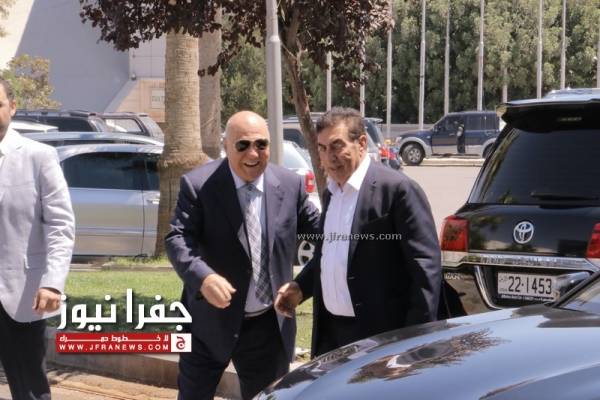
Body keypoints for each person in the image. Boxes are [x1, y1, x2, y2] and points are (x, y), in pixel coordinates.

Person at [165, 110, 320, 400]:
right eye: (243, 145)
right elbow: (177, 238)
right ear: (226, 145)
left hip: (267, 327)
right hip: (208, 324)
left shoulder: (291, 185)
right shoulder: (198, 185)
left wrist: (304, 285)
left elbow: (324, 237)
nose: (253, 153)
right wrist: (203, 277)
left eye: (261, 144)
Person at [276, 107, 441, 357]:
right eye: (322, 148)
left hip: (382, 341)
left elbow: (426, 271)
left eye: (337, 146)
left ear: (361, 143)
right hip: (331, 337)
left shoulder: (398, 190)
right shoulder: (332, 193)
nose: (329, 157)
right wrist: (301, 287)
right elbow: (330, 255)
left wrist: (410, 347)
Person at [0, 78, 75, 399]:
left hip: (21, 294)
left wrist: (53, 282)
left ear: (12, 107)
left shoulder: (38, 156)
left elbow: (61, 225)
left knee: (29, 388)